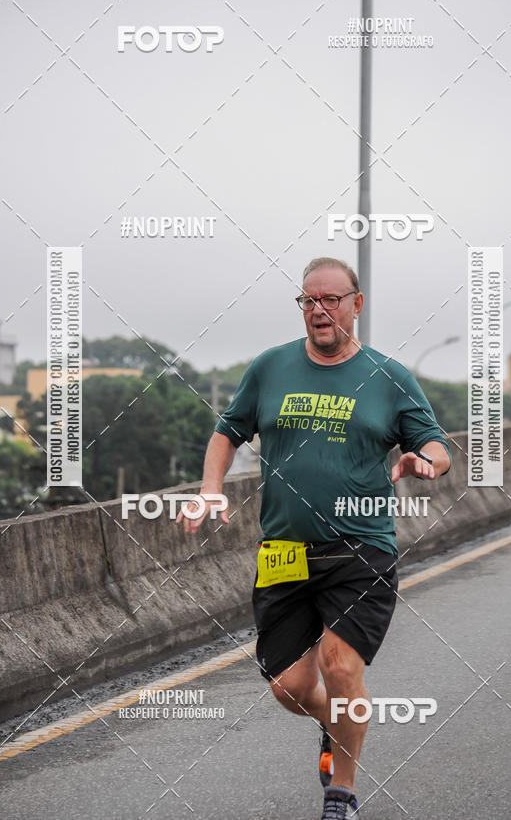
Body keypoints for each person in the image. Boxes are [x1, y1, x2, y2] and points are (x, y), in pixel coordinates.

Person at [177, 257, 451, 818]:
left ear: (356, 302)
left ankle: (342, 795)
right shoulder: (271, 368)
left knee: (340, 665)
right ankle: (337, 725)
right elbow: (226, 433)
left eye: (330, 299)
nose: (319, 310)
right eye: (308, 301)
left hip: (362, 547)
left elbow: (438, 445)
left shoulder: (389, 376)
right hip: (283, 550)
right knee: (287, 686)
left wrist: (425, 460)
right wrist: (210, 489)